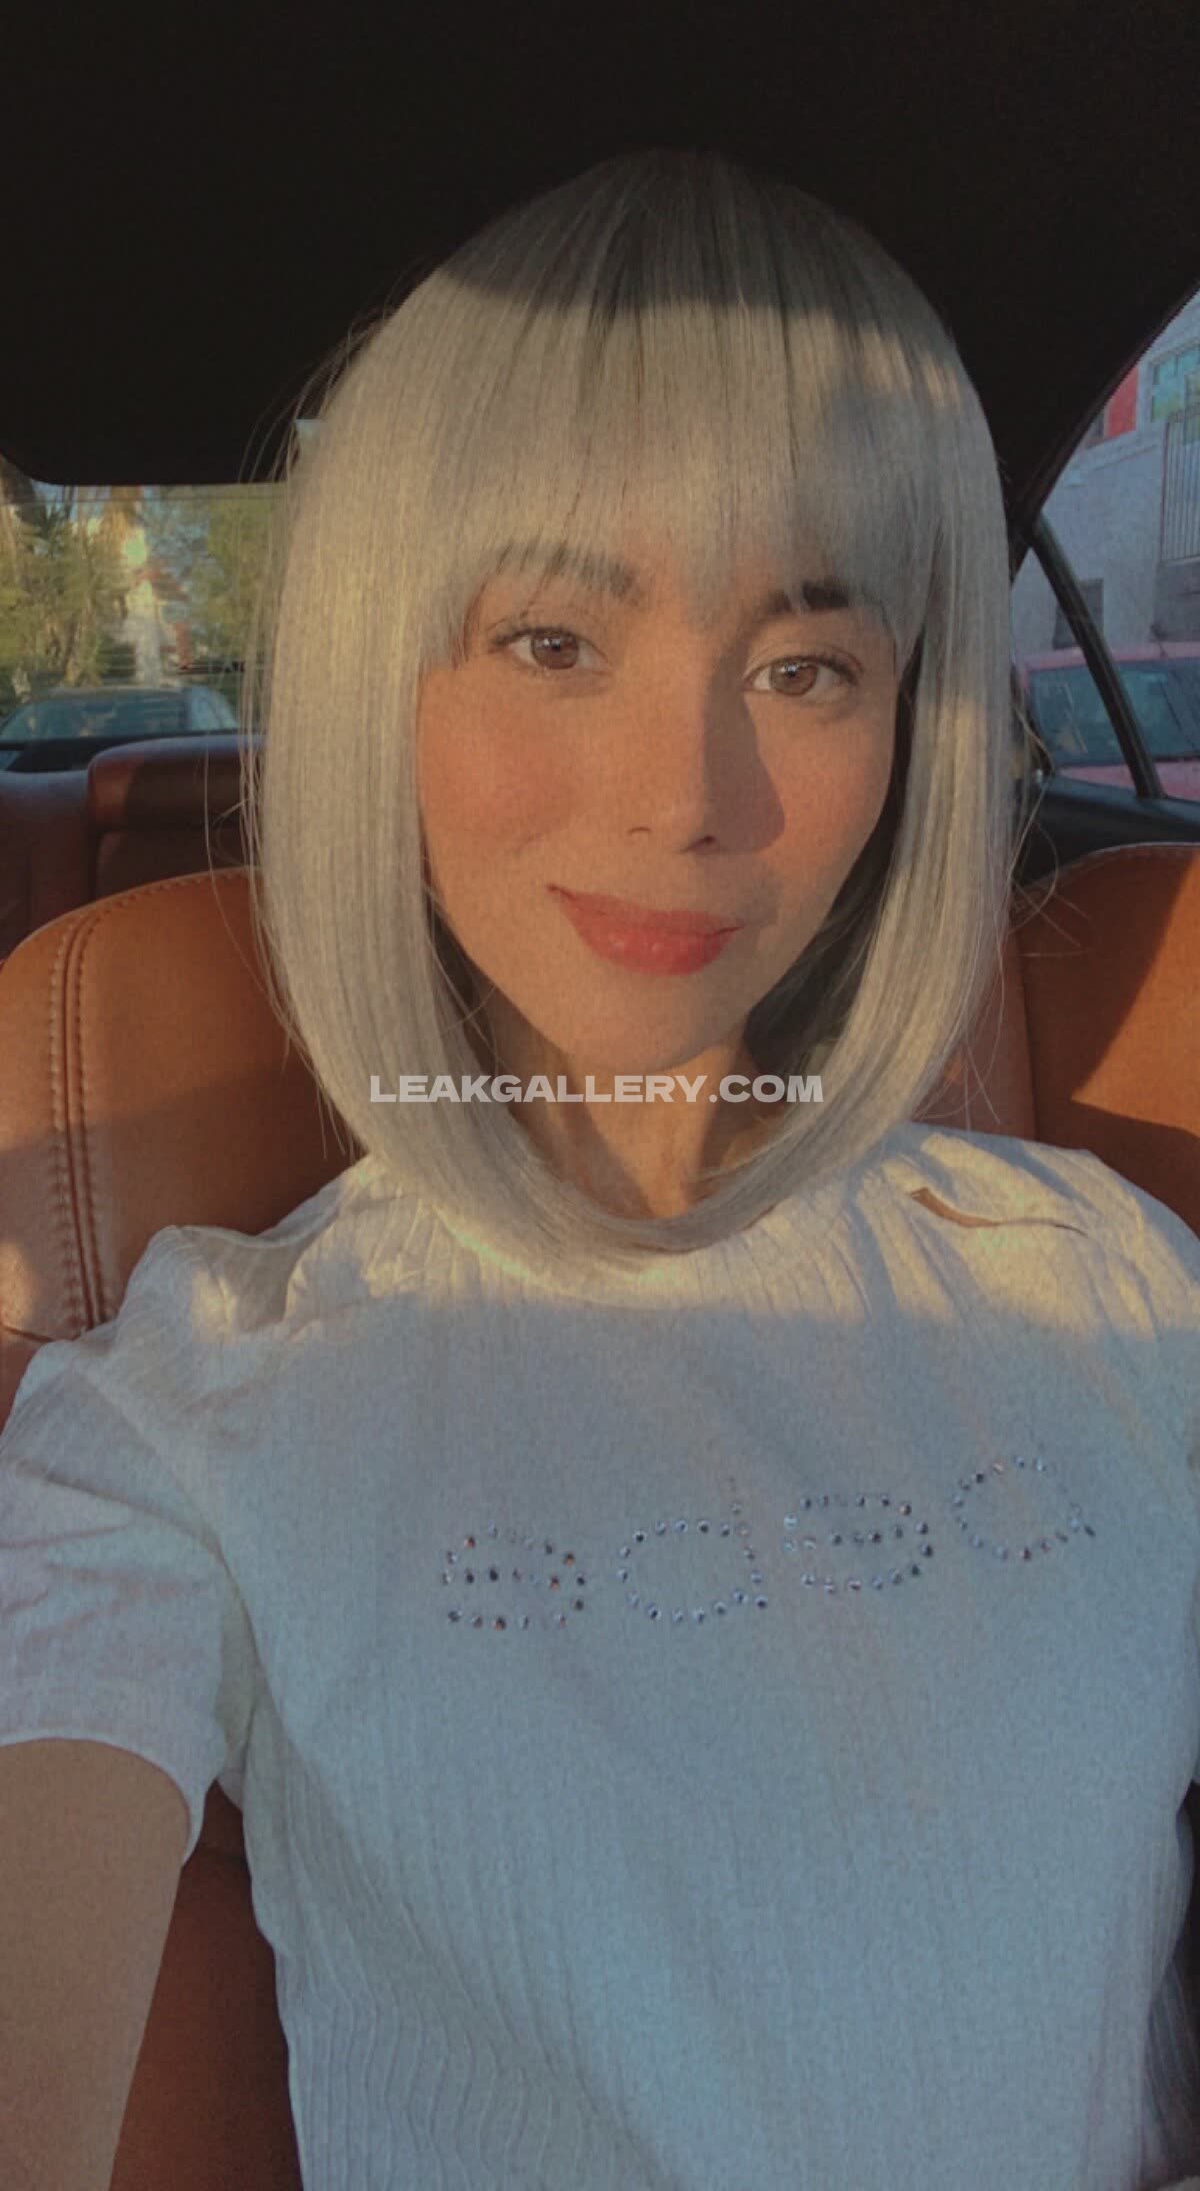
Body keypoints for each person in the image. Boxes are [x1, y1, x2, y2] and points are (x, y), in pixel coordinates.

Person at [2, 144, 1199, 2191]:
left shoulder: (1121, 1293)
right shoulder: (183, 1424)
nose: (684, 798)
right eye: (555, 639)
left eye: (805, 666)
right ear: (385, 685)